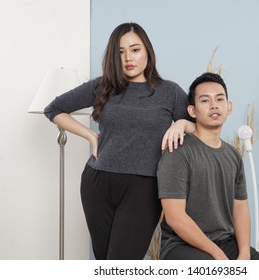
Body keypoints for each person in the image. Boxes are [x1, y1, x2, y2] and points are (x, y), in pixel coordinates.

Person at [44, 22, 194, 260]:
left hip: (144, 188)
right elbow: (54, 109)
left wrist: (182, 123)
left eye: (135, 50)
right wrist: (90, 134)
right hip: (97, 183)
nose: (128, 58)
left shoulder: (170, 91)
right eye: (120, 52)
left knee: (122, 264)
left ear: (147, 51)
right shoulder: (103, 86)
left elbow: (198, 127)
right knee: (105, 262)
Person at [157, 72, 259, 260]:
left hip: (226, 243)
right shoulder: (177, 151)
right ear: (192, 111)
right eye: (204, 100)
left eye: (219, 99)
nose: (214, 105)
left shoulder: (233, 155)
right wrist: (217, 254)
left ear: (229, 106)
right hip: (182, 246)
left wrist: (244, 254)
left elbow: (240, 208)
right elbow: (175, 218)